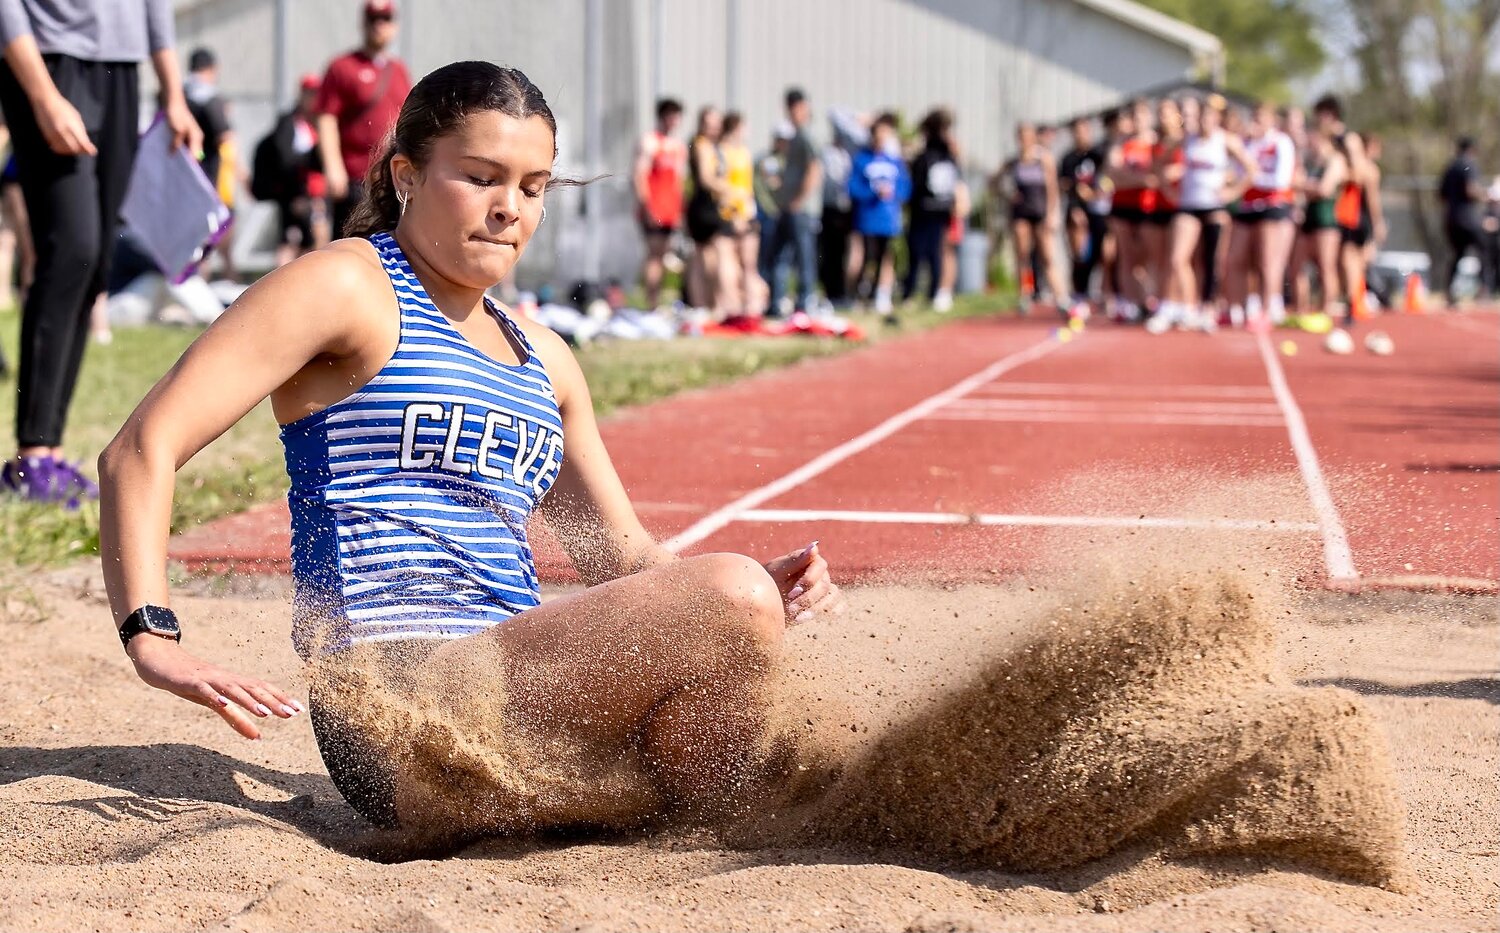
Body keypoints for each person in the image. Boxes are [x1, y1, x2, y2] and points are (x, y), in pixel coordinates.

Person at [97, 60, 843, 831]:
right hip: (397, 698)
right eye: (482, 177)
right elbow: (140, 447)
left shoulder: (546, 358)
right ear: (407, 175)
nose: (508, 209)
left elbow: (623, 563)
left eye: (533, 187)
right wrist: (151, 635)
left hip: (519, 692)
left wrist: (761, 593)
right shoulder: (350, 287)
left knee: (730, 678)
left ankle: (750, 825)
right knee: (733, 596)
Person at [0, 0, 202, 504]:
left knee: (93, 264)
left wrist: (173, 94)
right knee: (71, 248)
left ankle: (49, 451)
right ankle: (31, 456)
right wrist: (43, 96)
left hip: (121, 71)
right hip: (49, 62)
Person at [1157, 95, 1254, 333]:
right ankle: (1189, 307)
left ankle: (1208, 308)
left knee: (1212, 260)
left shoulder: (1226, 141)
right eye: (1202, 116)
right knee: (1178, 258)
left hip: (1215, 207)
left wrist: (1232, 192)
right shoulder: (1185, 140)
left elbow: (1251, 169)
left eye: (1211, 116)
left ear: (1217, 119)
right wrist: (1169, 191)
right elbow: (1158, 165)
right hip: (1189, 205)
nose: (1205, 121)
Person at [317, 0, 411, 239]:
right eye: (373, 19)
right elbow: (327, 118)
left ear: (394, 26)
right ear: (363, 23)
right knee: (349, 246)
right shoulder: (342, 67)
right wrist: (332, 166)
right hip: (354, 178)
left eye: (385, 19)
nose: (379, 25)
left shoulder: (399, 70)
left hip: (390, 180)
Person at [1225, 102, 1297, 332]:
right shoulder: (1247, 144)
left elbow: (1281, 180)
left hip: (1272, 205)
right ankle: (1236, 308)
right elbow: (1236, 173)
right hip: (1247, 206)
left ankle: (1266, 310)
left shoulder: (1281, 142)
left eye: (1260, 117)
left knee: (1268, 261)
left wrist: (1252, 177)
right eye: (1254, 117)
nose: (1255, 122)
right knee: (1235, 258)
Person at [255, 74, 330, 266]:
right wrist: (295, 194)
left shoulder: (319, 123)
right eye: (310, 94)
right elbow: (284, 159)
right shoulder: (290, 123)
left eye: (317, 94)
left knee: (315, 241)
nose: (314, 99)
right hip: (294, 194)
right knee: (291, 241)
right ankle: (280, 288)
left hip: (317, 193)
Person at [764, 88, 821, 317]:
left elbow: (814, 170)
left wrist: (798, 200)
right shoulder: (795, 136)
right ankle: (777, 302)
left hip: (800, 210)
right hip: (788, 208)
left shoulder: (807, 137)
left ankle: (806, 301)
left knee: (804, 256)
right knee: (780, 255)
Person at [1002, 122, 1066, 315]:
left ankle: (1061, 297)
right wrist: (1007, 193)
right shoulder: (1013, 162)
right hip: (1021, 214)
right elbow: (996, 181)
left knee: (1047, 256)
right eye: (1021, 136)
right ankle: (1025, 295)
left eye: (1027, 135)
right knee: (1023, 255)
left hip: (1040, 213)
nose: (1024, 140)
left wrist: (1052, 214)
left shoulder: (1043, 159)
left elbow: (1053, 189)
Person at [848, 112, 909, 315]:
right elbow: (852, 188)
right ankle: (860, 294)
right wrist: (873, 192)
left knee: (885, 258)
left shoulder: (894, 161)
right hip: (867, 219)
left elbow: (904, 187)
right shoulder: (861, 159)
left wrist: (894, 194)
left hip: (888, 219)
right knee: (866, 258)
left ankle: (880, 295)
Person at [1290, 127, 1348, 323]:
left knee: (1326, 266)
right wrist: (1306, 187)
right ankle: (1300, 309)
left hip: (1326, 221)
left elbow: (1325, 189)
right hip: (1308, 220)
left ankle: (1326, 310)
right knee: (1296, 266)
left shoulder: (1336, 160)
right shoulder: (1311, 162)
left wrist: (1303, 186)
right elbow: (1296, 185)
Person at [903, 108, 959, 307]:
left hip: (930, 210)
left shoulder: (934, 156)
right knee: (927, 252)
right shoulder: (941, 154)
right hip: (934, 209)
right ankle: (925, 292)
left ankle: (924, 292)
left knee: (928, 252)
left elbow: (918, 184)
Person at [633, 97, 685, 309]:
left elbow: (678, 181)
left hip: (670, 209)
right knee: (654, 256)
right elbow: (639, 175)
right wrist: (646, 207)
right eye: (670, 116)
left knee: (663, 257)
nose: (673, 121)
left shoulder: (678, 146)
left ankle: (658, 301)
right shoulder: (650, 142)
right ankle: (651, 303)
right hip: (654, 207)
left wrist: (680, 210)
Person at [1105, 100, 1154, 321]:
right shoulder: (1121, 143)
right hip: (1122, 205)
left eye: (1141, 116)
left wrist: (1129, 179)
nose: (1137, 121)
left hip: (1146, 206)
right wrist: (1140, 180)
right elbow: (1112, 172)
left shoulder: (1153, 142)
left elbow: (1157, 177)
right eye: (1134, 117)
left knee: (1146, 255)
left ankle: (1148, 298)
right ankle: (1131, 302)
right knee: (1126, 256)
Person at [1058, 115, 1111, 318]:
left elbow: (1108, 179)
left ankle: (1106, 295)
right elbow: (1063, 184)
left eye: (1084, 130)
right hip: (1077, 212)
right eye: (1077, 131)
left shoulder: (1098, 154)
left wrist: (1096, 192)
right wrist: (1076, 194)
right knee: (1080, 256)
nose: (1081, 134)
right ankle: (1079, 296)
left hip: (1099, 212)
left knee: (1105, 254)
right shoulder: (1068, 158)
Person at [684, 106, 733, 313]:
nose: (713, 128)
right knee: (714, 254)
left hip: (711, 206)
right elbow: (706, 179)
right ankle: (708, 304)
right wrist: (731, 190)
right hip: (703, 207)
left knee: (707, 256)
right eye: (709, 124)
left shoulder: (715, 146)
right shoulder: (702, 145)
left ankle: (707, 304)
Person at [718, 111, 765, 316]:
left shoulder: (743, 152)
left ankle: (750, 306)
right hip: (731, 212)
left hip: (745, 211)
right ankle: (734, 305)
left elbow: (747, 186)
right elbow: (723, 185)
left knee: (747, 262)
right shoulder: (724, 152)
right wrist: (735, 212)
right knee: (730, 261)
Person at [817, 109, 862, 309]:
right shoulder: (827, 153)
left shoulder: (851, 153)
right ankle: (831, 292)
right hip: (830, 209)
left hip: (848, 210)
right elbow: (834, 112)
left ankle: (845, 293)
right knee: (829, 253)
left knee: (846, 252)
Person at [1438, 136, 1486, 305]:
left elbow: (1441, 195)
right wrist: (1486, 196)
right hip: (1468, 218)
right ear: (1472, 149)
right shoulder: (1469, 165)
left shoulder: (1450, 168)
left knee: (1457, 255)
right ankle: (1483, 291)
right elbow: (1470, 189)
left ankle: (1448, 292)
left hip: (1451, 218)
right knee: (1484, 251)